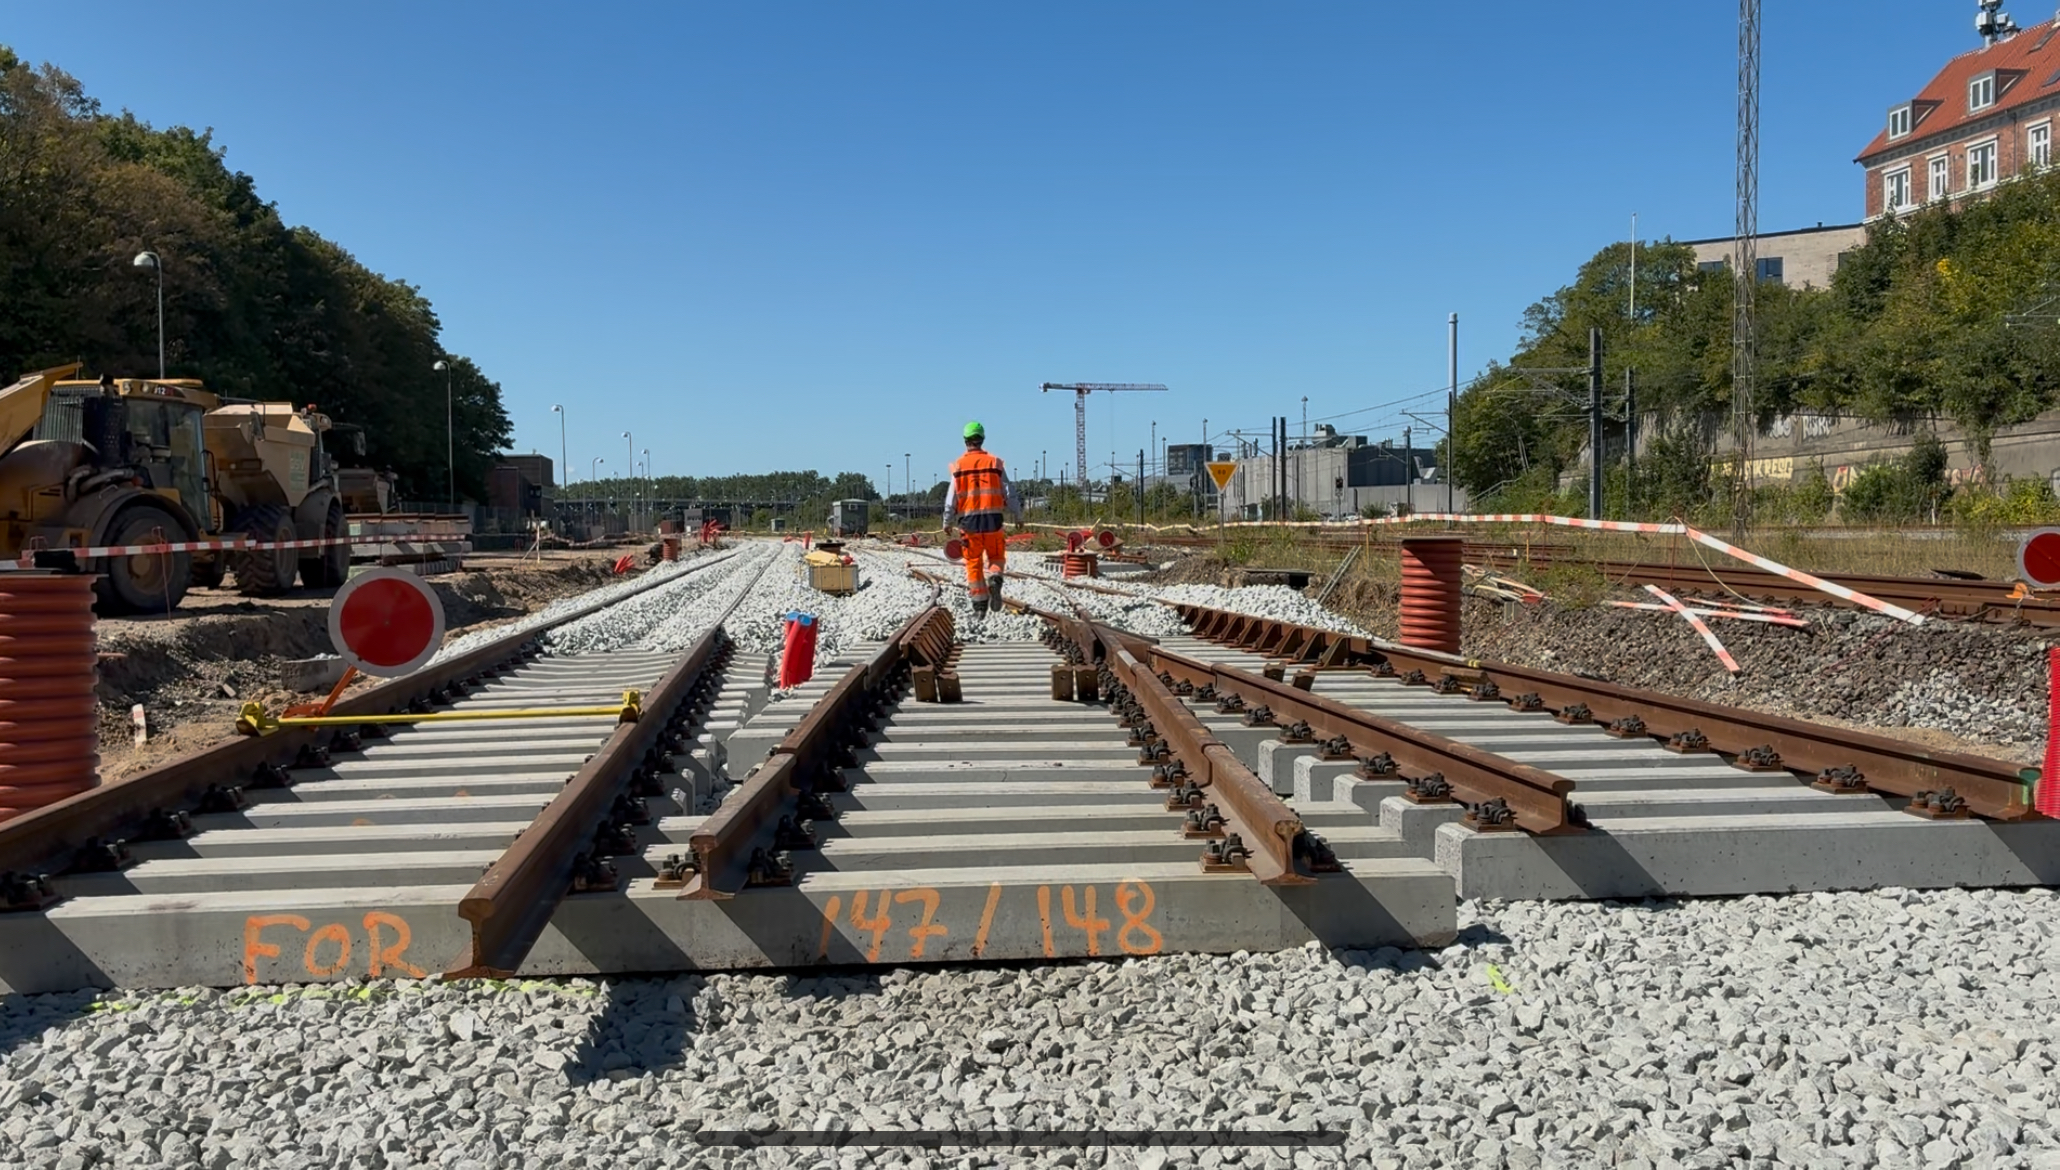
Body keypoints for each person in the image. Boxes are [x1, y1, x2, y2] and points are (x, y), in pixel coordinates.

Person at [942, 421, 1023, 616]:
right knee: (996, 557)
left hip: (969, 524)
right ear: (982, 439)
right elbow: (1009, 492)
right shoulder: (995, 463)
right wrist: (1018, 515)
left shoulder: (958, 466)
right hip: (993, 521)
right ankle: (995, 577)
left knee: (973, 562)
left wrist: (947, 521)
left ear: (965, 441)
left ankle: (979, 606)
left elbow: (951, 498)